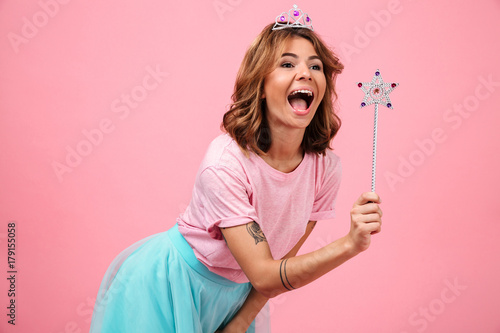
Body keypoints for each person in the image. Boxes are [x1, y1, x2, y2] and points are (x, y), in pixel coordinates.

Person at [90, 4, 383, 333]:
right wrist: (349, 244)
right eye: (288, 63)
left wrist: (240, 321)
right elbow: (264, 274)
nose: (306, 73)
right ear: (259, 86)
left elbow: (280, 267)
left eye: (316, 66)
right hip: (169, 289)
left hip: (237, 298)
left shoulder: (325, 170)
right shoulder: (224, 163)